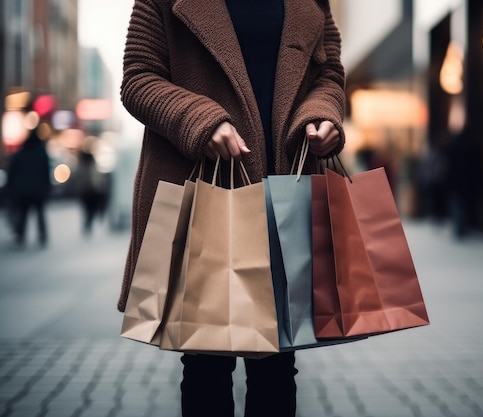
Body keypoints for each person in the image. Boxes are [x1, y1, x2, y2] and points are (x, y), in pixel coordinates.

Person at [118, 1, 346, 416]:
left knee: (278, 365)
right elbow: (137, 78)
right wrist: (201, 121)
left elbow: (329, 75)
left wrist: (323, 115)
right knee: (206, 362)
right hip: (203, 191)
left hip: (284, 195)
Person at [6, 122, 52, 247]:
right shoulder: (42, 153)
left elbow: (12, 172)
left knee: (23, 214)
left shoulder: (21, 153)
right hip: (38, 190)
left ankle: (20, 235)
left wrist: (10, 187)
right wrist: (47, 187)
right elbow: (46, 172)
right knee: (40, 214)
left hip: (23, 190)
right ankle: (42, 235)